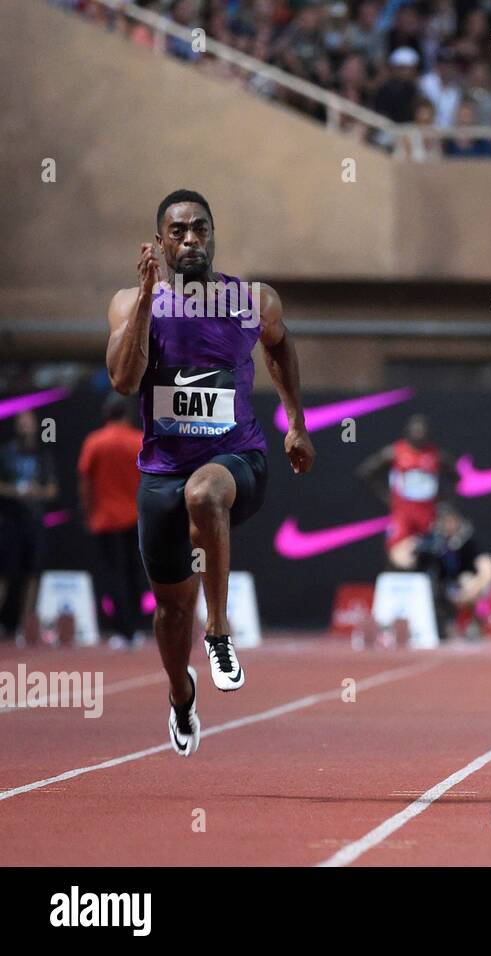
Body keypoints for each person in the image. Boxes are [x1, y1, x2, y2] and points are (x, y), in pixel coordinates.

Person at [105, 189, 315, 757]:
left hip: (237, 462)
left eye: (200, 229)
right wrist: (149, 297)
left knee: (206, 493)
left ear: (213, 235)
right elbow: (124, 381)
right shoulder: (131, 303)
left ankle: (219, 632)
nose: (191, 239)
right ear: (160, 241)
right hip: (161, 475)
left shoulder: (252, 299)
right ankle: (180, 693)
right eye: (178, 231)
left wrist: (295, 421)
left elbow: (280, 346)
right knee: (172, 612)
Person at [77, 393, 147, 646]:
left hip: (106, 518)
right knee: (134, 572)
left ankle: (121, 629)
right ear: (126, 415)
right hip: (136, 517)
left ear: (106, 414)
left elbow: (85, 483)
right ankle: (136, 628)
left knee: (112, 573)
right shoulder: (139, 441)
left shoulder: (95, 442)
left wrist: (87, 512)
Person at [391, 501, 491, 638]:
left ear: (457, 520)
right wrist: (411, 550)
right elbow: (398, 556)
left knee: (468, 580)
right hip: (438, 589)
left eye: (450, 521)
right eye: (443, 521)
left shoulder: (468, 541)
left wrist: (469, 592)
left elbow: (490, 571)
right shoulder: (432, 539)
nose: (447, 525)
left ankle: (472, 622)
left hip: (464, 588)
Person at [0, 411, 58, 642]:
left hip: (34, 522)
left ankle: (25, 626)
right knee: (3, 573)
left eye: (29, 423)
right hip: (10, 522)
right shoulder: (6, 454)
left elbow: (53, 490)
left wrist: (37, 492)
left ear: (35, 426)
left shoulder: (43, 455)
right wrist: (16, 491)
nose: (25, 427)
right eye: (21, 423)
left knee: (32, 574)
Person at [357, 413, 442, 569]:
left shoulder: (435, 454)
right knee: (396, 553)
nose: (419, 434)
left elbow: (455, 475)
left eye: (422, 430)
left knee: (430, 552)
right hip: (403, 513)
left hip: (427, 514)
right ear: (407, 431)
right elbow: (366, 471)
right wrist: (387, 496)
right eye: (415, 430)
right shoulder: (395, 451)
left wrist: (443, 500)